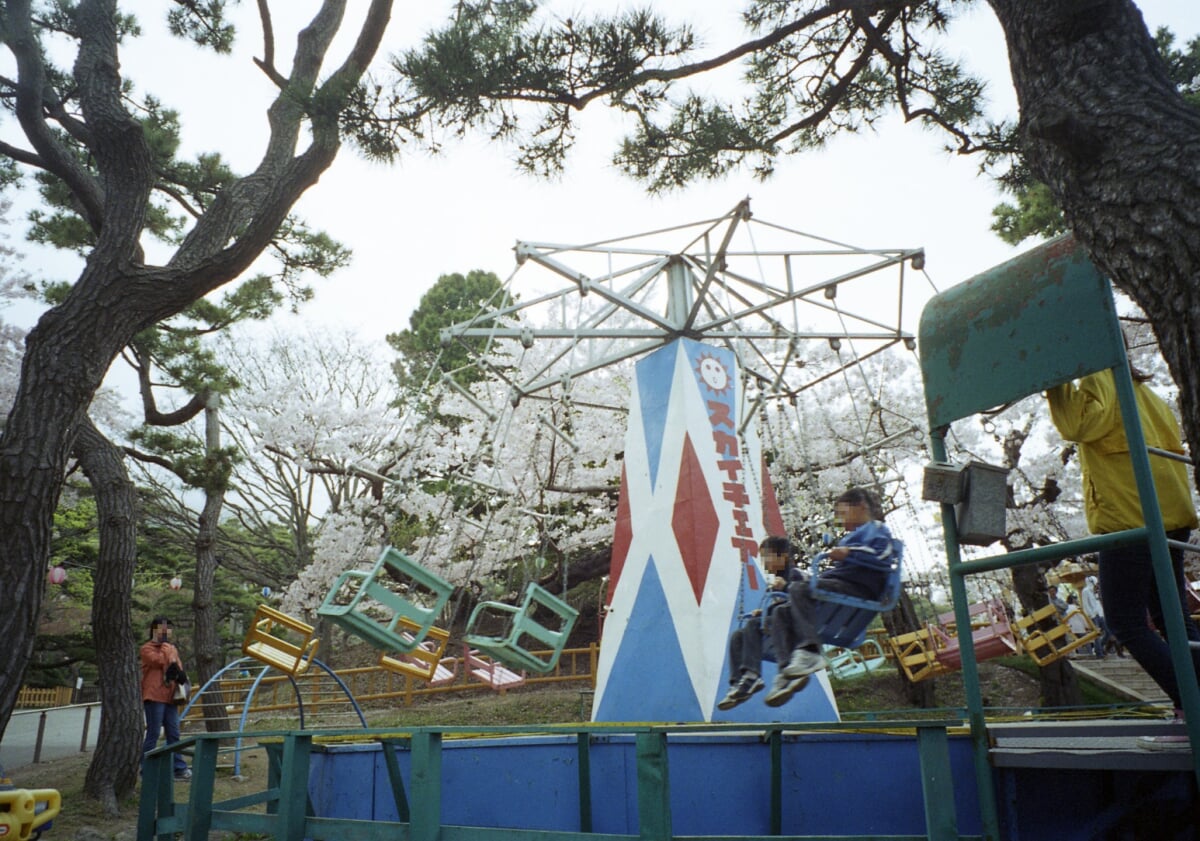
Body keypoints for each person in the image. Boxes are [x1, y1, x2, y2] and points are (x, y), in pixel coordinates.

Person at [1047, 367, 1200, 748]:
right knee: (1173, 620)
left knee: (1125, 621)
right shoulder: (1145, 392)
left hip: (1133, 517)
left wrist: (1055, 379)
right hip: (1171, 515)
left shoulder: (1100, 376)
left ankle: (1192, 710)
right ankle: (1192, 706)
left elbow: (1077, 424)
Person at [764, 487, 898, 707]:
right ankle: (786, 672)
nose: (840, 519)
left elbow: (884, 556)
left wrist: (850, 553)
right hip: (841, 584)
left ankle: (809, 651)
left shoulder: (877, 530)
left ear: (861, 507)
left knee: (800, 588)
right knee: (780, 611)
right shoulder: (850, 538)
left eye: (843, 513)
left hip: (858, 586)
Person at [717, 536, 801, 710]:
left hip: (793, 626)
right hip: (780, 623)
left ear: (783, 556)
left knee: (754, 625)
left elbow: (802, 600)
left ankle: (752, 674)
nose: (764, 563)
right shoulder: (777, 581)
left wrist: (785, 587)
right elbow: (781, 605)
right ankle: (738, 681)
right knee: (737, 636)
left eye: (767, 557)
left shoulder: (794, 575)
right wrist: (765, 611)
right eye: (762, 558)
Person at [140, 616, 191, 780]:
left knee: (174, 733)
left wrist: (180, 673)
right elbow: (159, 661)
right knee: (153, 733)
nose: (165, 632)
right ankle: (146, 767)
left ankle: (178, 768)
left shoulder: (171, 648)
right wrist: (166, 648)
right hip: (154, 695)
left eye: (168, 628)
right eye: (162, 628)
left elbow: (178, 668)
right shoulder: (147, 648)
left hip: (170, 696)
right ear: (154, 629)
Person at [1081, 575, 1112, 658]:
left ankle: (1099, 647)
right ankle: (1099, 653)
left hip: (1100, 615)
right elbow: (1085, 604)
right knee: (1096, 635)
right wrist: (1090, 615)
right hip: (1093, 616)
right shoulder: (1085, 591)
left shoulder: (1096, 592)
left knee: (1108, 631)